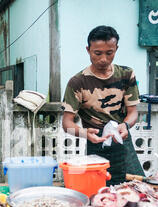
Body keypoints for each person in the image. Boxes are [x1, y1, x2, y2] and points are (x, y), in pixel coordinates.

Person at [62, 25, 145, 185]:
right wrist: (85, 133)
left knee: (136, 188)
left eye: (109, 53)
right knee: (99, 192)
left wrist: (125, 125)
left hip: (122, 139)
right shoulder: (78, 82)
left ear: (116, 49)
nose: (103, 59)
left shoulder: (127, 75)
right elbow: (67, 124)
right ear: (88, 50)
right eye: (97, 53)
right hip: (95, 141)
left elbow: (133, 112)